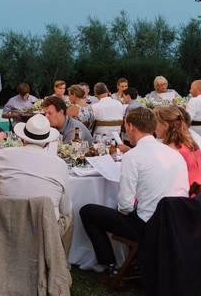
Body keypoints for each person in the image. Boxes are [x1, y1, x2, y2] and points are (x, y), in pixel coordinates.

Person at [80, 107, 188, 277]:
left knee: (87, 211)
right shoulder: (173, 153)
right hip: (179, 221)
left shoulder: (134, 156)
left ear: (131, 127)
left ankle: (109, 264)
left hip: (150, 227)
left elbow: (125, 206)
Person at [0, 113, 70, 222]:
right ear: (47, 143)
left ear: (22, 138)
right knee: (69, 217)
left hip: (6, 225)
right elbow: (66, 209)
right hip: (44, 230)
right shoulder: (60, 164)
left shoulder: (5, 155)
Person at [154, 105, 201, 187]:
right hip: (195, 191)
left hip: (183, 195)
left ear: (165, 125)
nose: (153, 127)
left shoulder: (172, 150)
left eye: (155, 123)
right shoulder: (189, 142)